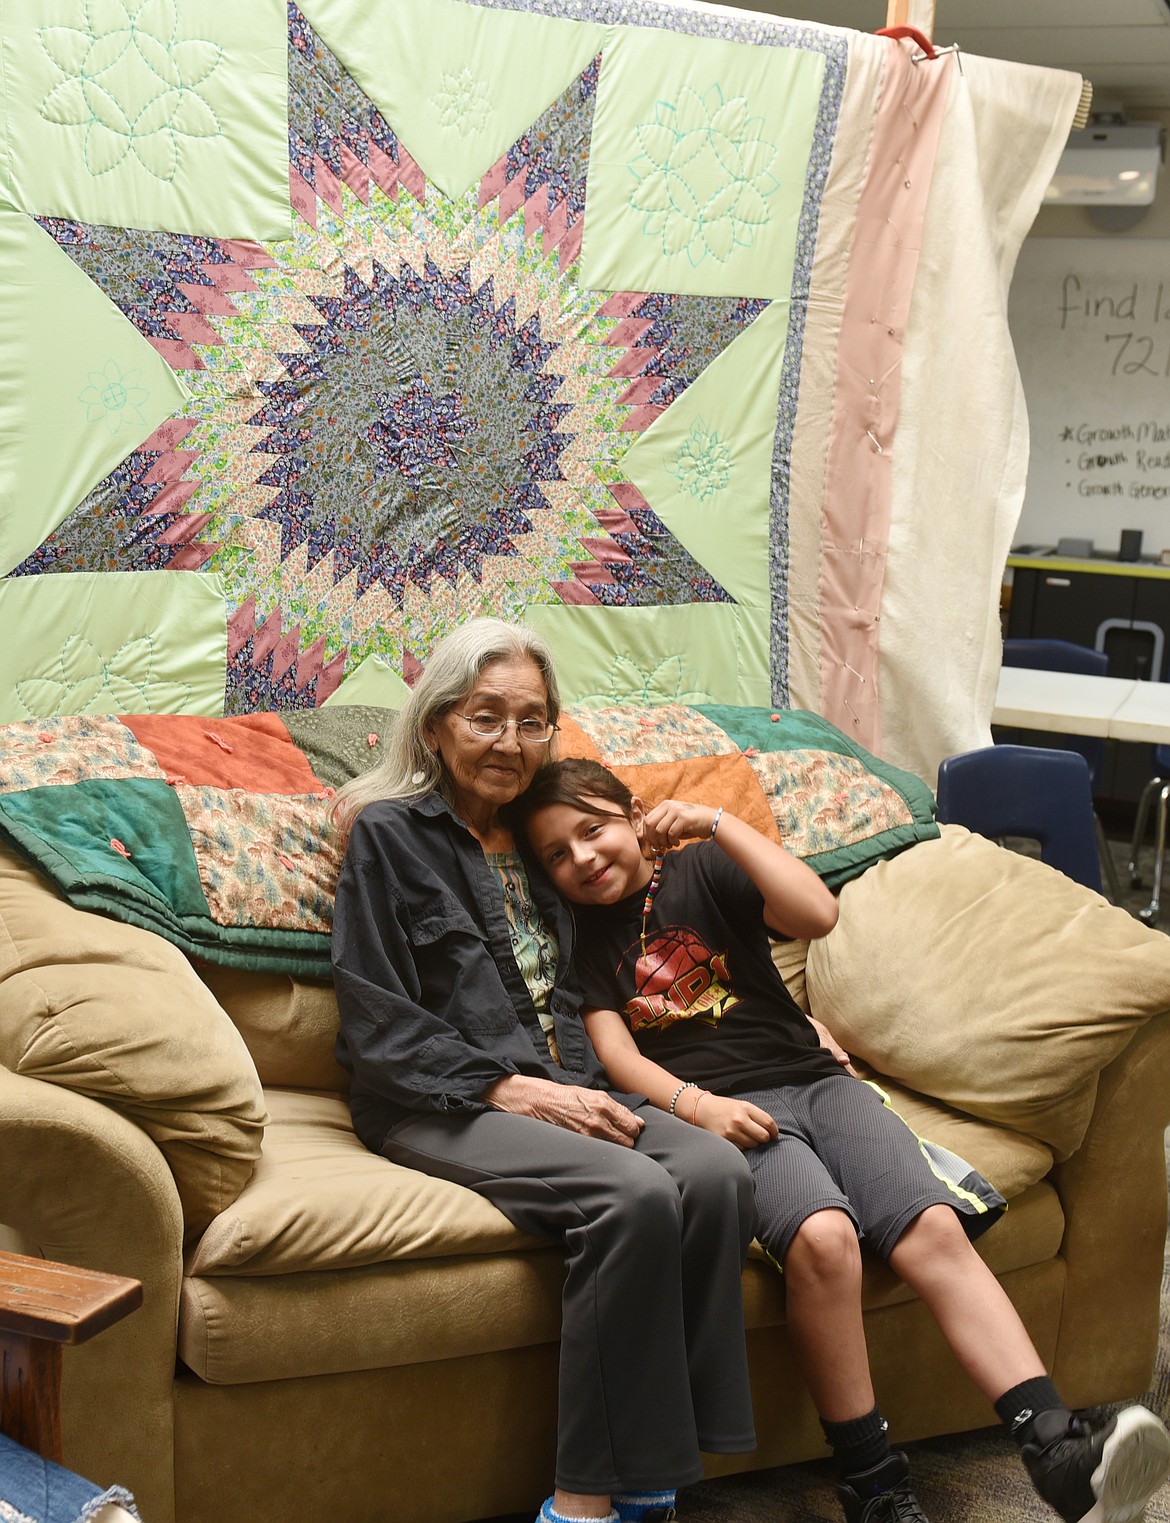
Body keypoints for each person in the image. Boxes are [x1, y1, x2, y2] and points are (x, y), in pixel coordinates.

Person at [513, 757, 1170, 1523]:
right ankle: (874, 1486)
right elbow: (617, 1055)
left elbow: (816, 914)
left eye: (592, 830)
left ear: (632, 815)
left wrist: (715, 822)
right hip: (731, 1111)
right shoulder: (587, 939)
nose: (583, 858)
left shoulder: (702, 870)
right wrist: (698, 1108)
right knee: (825, 1240)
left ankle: (1055, 1448)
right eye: (557, 854)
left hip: (820, 1082)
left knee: (931, 1227)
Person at [329, 620, 758, 1523]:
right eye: (487, 718)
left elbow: (648, 926)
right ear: (439, 723)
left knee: (717, 1172)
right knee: (633, 1195)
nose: (510, 742)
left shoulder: (539, 840)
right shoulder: (390, 835)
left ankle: (652, 1480)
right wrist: (508, 1087)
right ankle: (580, 1505)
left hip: (567, 1083)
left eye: (533, 722)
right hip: (435, 1098)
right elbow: (375, 1015)